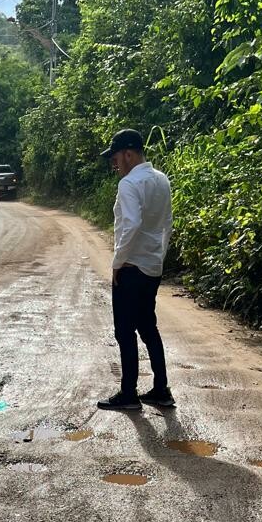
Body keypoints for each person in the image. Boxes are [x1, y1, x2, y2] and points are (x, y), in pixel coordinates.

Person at [96, 128, 174, 411]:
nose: (114, 164)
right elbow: (168, 223)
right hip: (152, 267)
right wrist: (158, 257)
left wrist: (117, 263)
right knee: (148, 327)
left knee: (124, 331)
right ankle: (161, 390)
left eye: (115, 158)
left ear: (129, 153)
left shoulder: (129, 184)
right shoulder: (161, 180)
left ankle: (129, 394)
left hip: (131, 268)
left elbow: (130, 225)